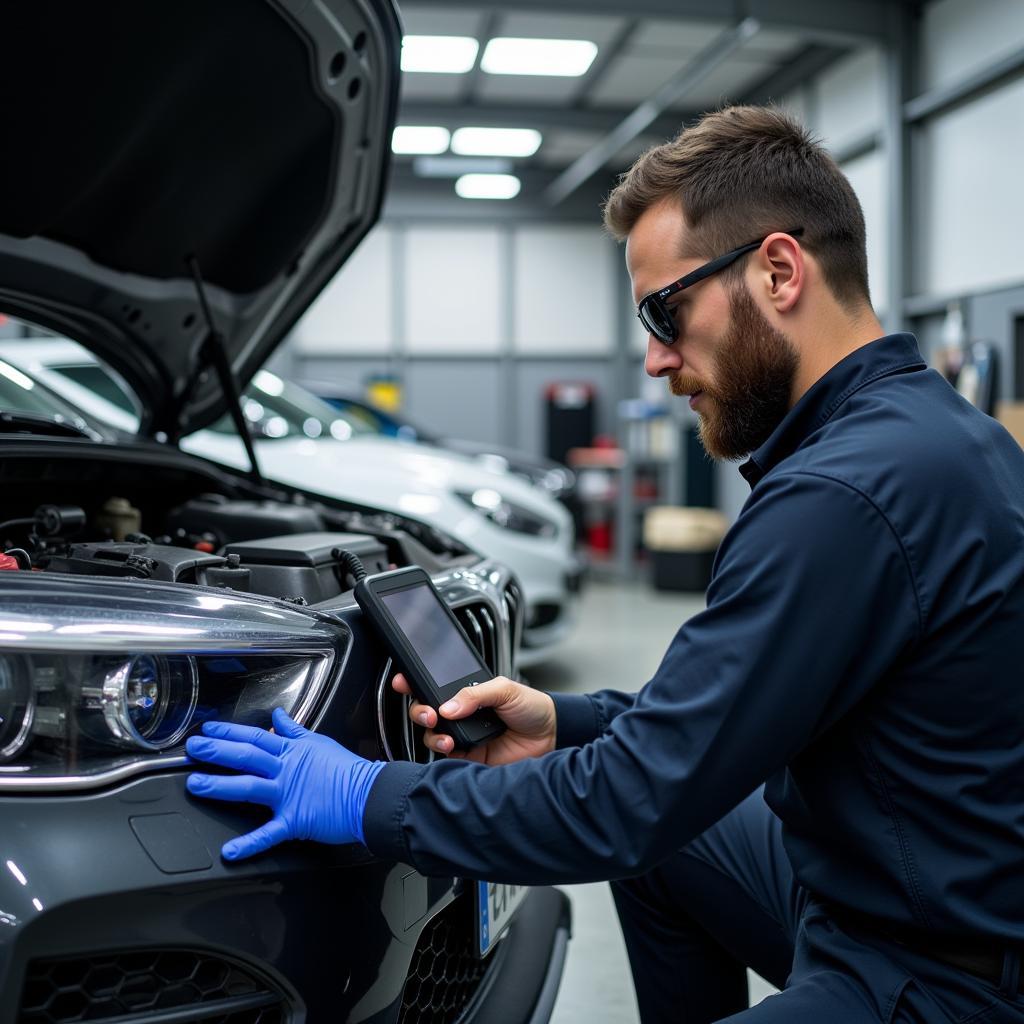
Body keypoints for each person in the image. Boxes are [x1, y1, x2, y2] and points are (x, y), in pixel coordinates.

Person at [186, 106, 1024, 1023]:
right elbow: (719, 718)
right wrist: (565, 720)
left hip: (943, 974)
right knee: (677, 846)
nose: (657, 357)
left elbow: (629, 803)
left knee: (649, 829)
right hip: (890, 886)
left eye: (667, 310)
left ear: (779, 271)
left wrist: (369, 796)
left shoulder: (844, 495)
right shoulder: (936, 434)